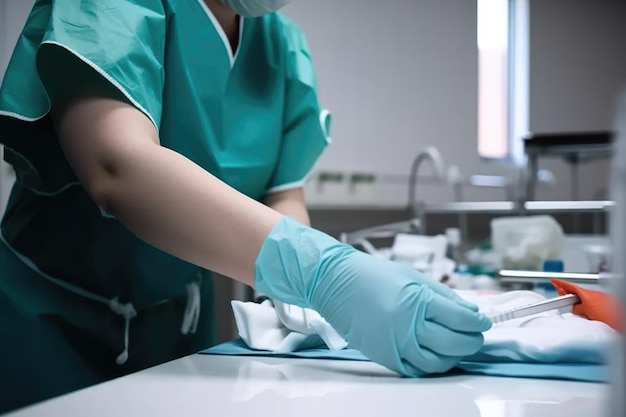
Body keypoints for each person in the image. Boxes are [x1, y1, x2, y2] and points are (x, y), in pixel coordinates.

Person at [0, 0, 491, 412]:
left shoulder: (281, 45)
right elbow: (117, 166)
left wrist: (303, 299)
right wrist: (321, 272)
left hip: (178, 330)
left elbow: (283, 194)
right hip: (51, 323)